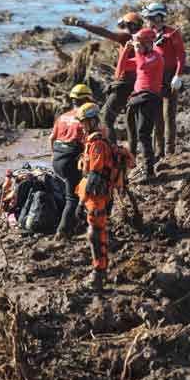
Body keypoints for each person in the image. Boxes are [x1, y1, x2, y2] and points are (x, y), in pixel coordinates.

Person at [63, 12, 144, 154]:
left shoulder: (127, 38)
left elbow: (105, 33)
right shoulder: (143, 38)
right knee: (131, 121)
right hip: (137, 84)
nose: (122, 28)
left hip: (124, 86)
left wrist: (81, 24)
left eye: (124, 25)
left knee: (106, 118)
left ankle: (112, 152)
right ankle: (132, 154)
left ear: (129, 26)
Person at [72, 103, 116, 292]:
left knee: (95, 235)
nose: (81, 126)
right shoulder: (93, 140)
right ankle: (100, 270)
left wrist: (81, 203)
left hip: (96, 197)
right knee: (97, 233)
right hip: (95, 197)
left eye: (83, 122)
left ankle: (98, 273)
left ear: (91, 121)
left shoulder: (97, 144)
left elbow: (95, 176)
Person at [141, 2, 186, 159]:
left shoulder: (173, 33)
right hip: (155, 79)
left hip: (170, 77)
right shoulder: (148, 35)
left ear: (158, 17)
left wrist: (178, 75)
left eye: (149, 18)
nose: (147, 22)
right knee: (157, 116)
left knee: (169, 115)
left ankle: (170, 150)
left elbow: (181, 56)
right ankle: (159, 151)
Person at [50, 84, 95, 240]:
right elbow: (89, 144)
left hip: (58, 160)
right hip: (71, 161)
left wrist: (54, 157)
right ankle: (62, 232)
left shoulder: (62, 117)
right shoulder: (84, 119)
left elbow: (52, 138)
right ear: (87, 99)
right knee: (73, 198)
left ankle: (75, 221)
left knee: (71, 190)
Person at [126, 27, 164, 182]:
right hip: (138, 97)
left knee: (144, 134)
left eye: (140, 43)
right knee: (134, 131)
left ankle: (149, 171)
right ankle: (135, 163)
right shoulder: (143, 55)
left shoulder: (156, 56)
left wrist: (136, 51)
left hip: (150, 97)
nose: (138, 46)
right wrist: (126, 51)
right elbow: (122, 67)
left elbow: (141, 65)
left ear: (148, 44)